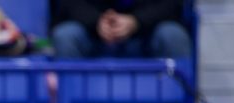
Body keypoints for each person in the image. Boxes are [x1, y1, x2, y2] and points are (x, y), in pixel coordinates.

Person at [50, 0, 192, 58]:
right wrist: (96, 22)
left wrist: (136, 21)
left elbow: (173, 4)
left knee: (173, 35)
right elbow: (66, 3)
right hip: (93, 35)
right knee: (66, 35)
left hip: (146, 35)